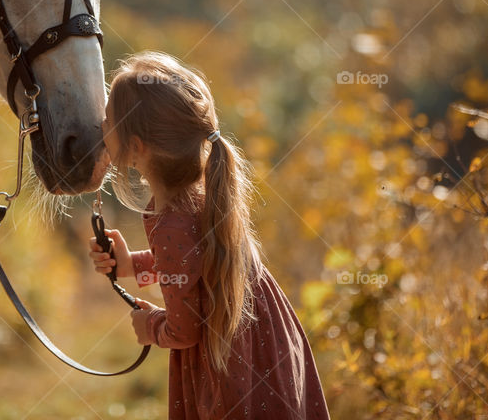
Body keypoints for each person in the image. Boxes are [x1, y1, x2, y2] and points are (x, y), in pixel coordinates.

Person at [88, 51, 331, 419]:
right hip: (266, 347)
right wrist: (134, 265)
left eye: (107, 120)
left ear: (137, 147)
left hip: (227, 370)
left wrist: (150, 325)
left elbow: (183, 332)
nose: (100, 125)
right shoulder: (205, 198)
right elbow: (195, 266)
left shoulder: (171, 222)